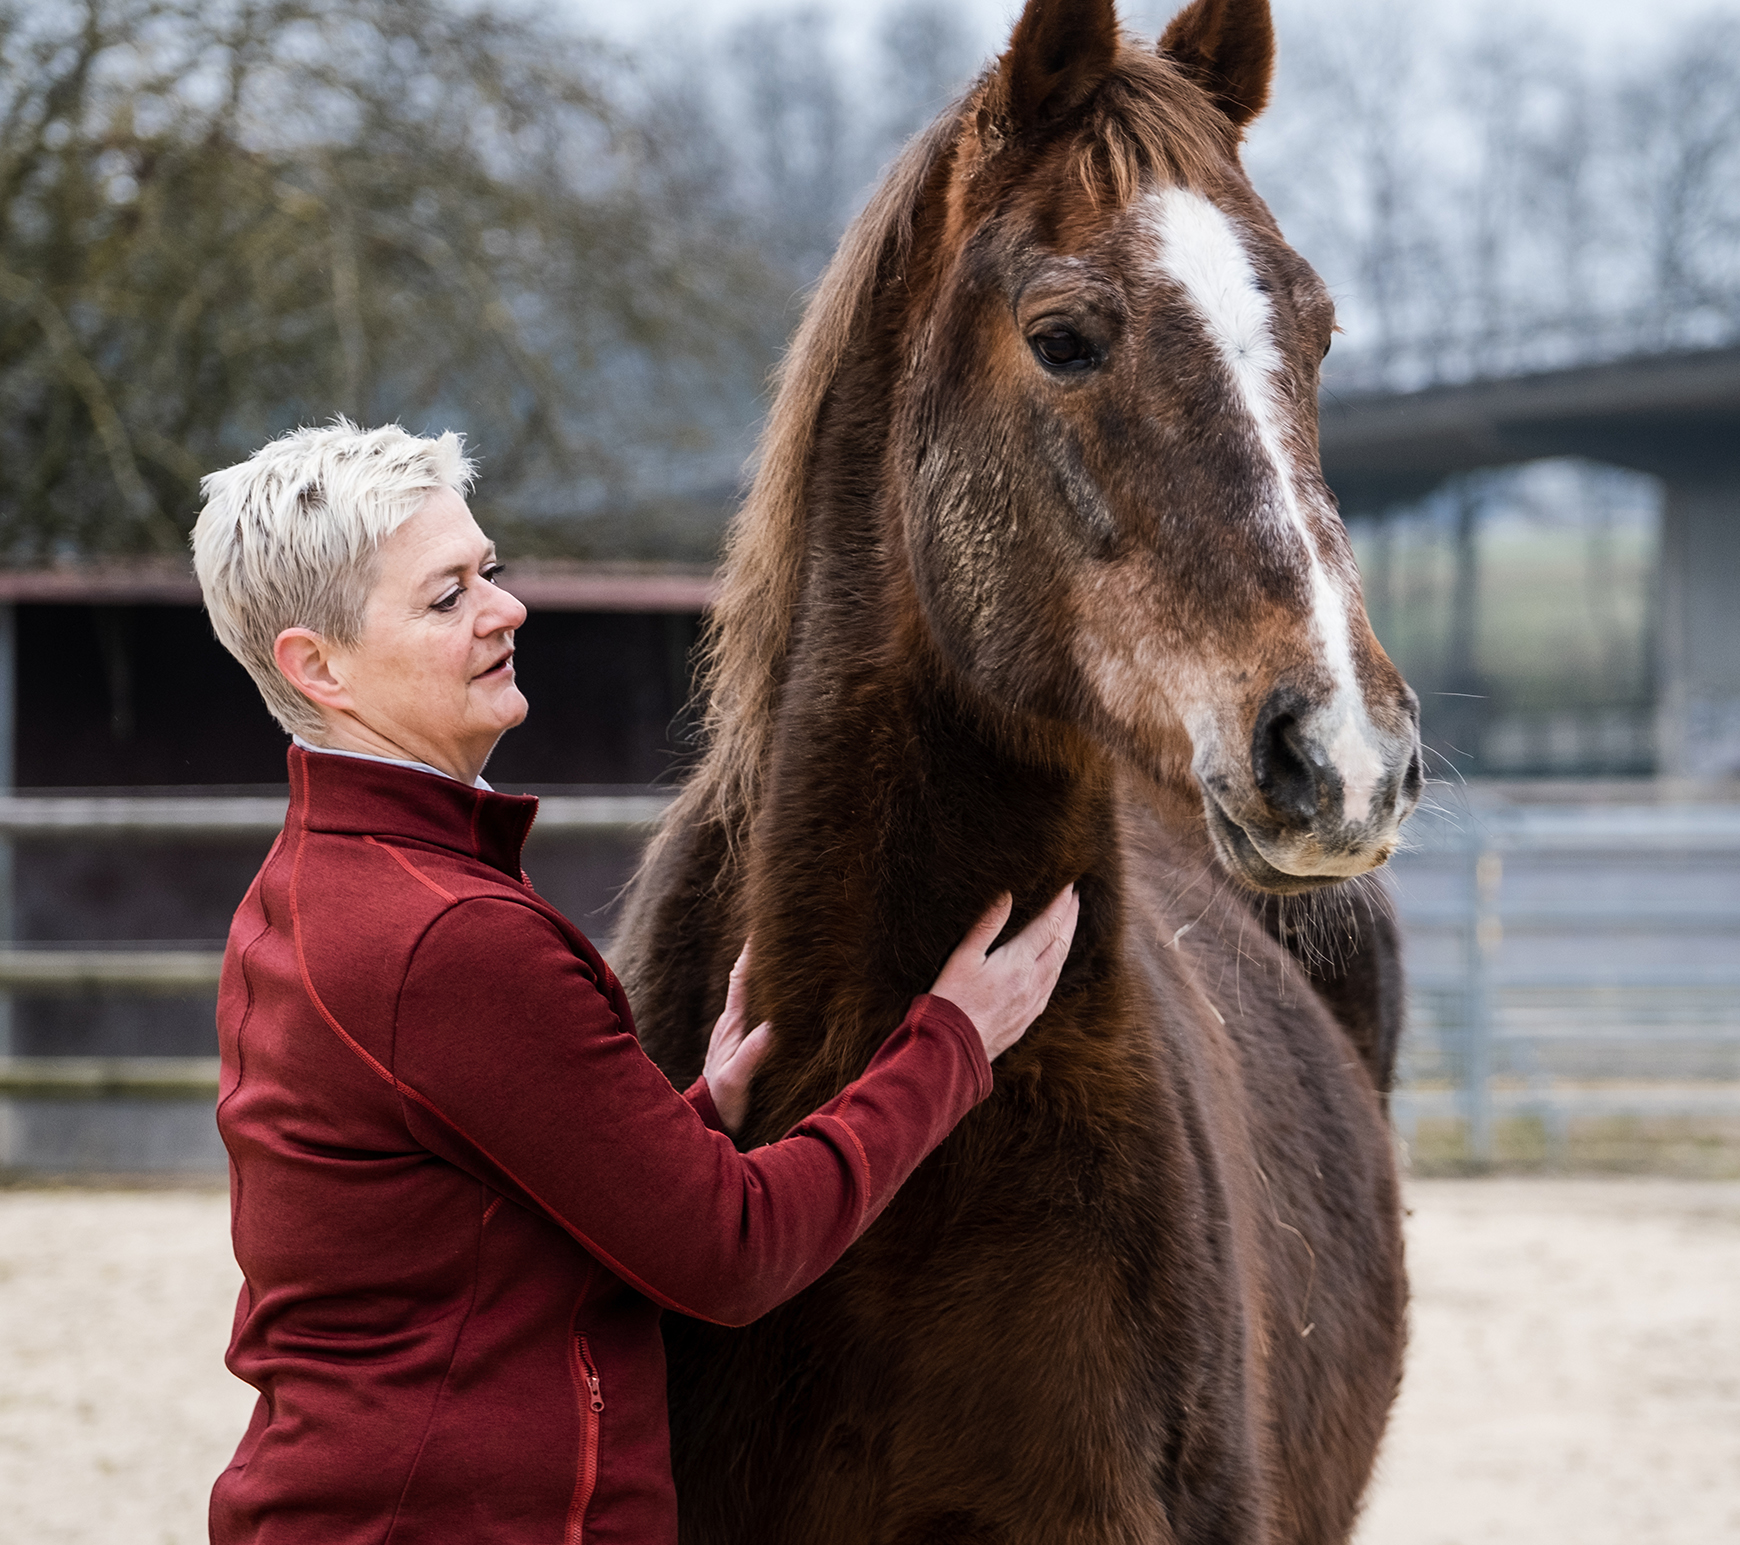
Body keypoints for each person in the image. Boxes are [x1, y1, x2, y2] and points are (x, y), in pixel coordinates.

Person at [192, 420, 1080, 1544]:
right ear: (317, 666)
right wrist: (950, 1041)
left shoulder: (315, 885)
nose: (502, 609)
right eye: (445, 596)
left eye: (489, 573)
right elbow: (732, 1254)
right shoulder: (445, 935)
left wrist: (681, 1122)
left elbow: (449, 1207)